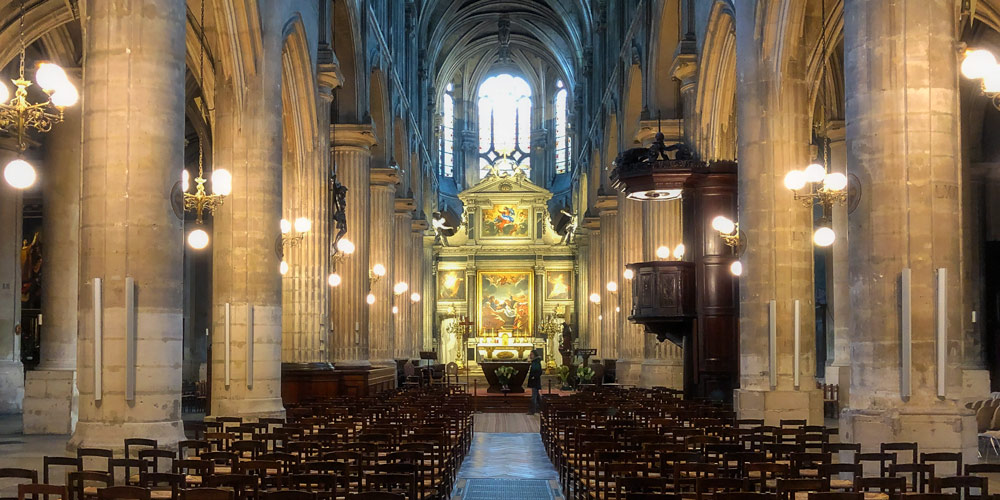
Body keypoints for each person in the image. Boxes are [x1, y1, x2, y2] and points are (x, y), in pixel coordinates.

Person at [527, 348, 543, 415]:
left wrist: (534, 377)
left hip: (535, 381)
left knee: (534, 396)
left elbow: (538, 371)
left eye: (531, 354)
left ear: (534, 355)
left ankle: (532, 410)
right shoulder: (535, 361)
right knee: (537, 395)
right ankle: (540, 408)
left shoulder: (536, 362)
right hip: (535, 380)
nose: (530, 356)